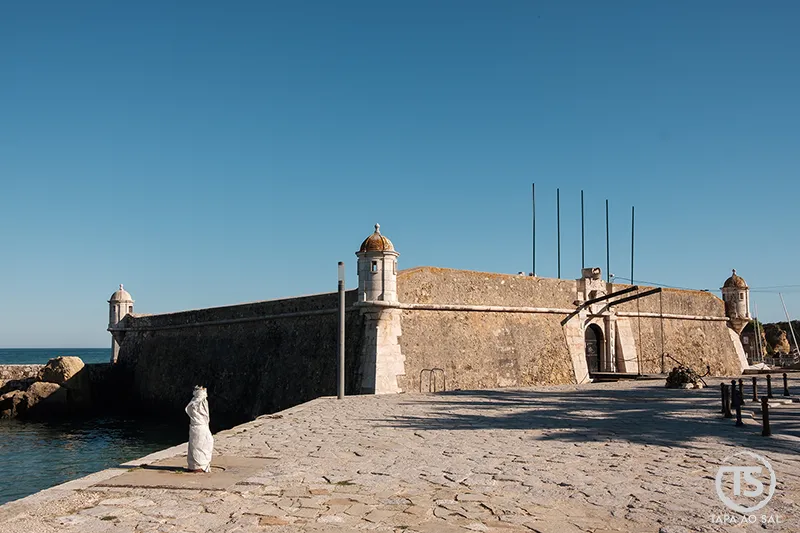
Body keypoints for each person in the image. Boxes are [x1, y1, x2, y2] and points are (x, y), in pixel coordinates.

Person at [185, 385, 213, 473]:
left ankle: (198, 465)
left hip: (199, 426)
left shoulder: (197, 402)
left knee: (203, 443)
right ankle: (197, 466)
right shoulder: (198, 401)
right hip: (198, 427)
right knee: (200, 444)